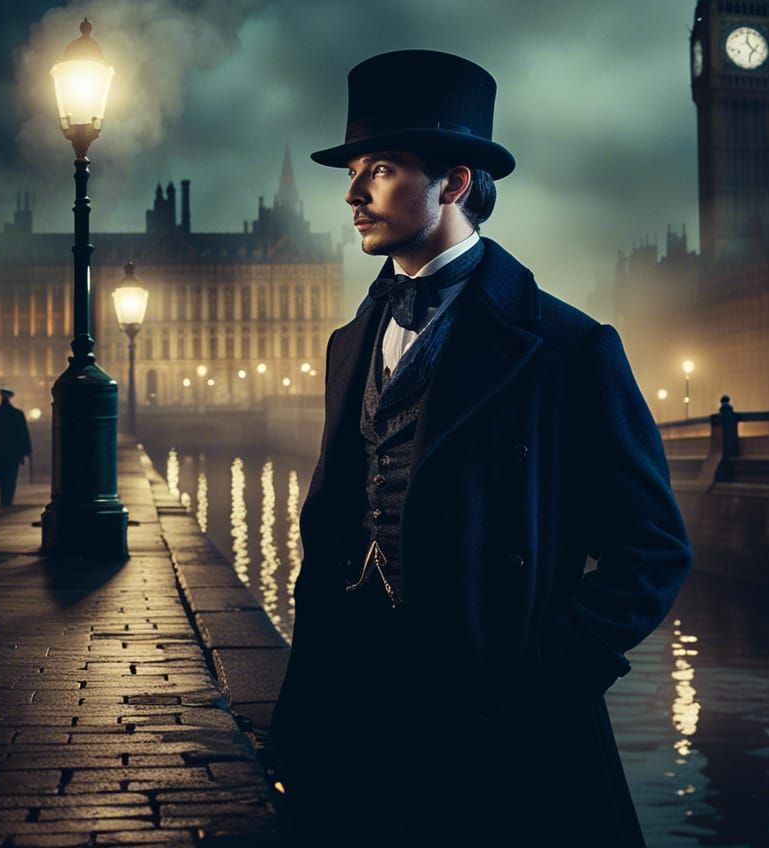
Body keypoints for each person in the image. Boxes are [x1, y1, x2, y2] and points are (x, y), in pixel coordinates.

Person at [268, 49, 693, 846]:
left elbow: (654, 551)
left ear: (454, 184)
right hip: (357, 707)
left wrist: (549, 669)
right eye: (354, 171)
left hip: (497, 715)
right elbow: (336, 521)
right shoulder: (349, 340)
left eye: (382, 169)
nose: (354, 194)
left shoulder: (568, 347)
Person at [0, 387, 32, 507]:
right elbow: (23, 434)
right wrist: (26, 451)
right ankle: (6, 502)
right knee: (10, 479)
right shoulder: (18, 414)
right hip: (13, 454)